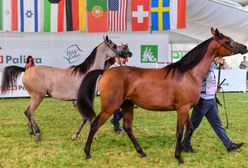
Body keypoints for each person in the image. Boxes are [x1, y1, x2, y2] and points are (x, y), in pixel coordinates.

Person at [184, 57, 243, 153]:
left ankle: (229, 145)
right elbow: (207, 72)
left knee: (217, 125)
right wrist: (216, 62)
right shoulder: (203, 68)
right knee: (192, 125)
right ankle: (186, 145)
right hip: (202, 101)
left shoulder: (210, 69)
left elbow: (208, 82)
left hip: (211, 100)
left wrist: (215, 89)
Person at [109, 57, 127, 133]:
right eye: (121, 58)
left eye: (124, 58)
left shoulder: (125, 66)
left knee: (125, 109)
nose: (123, 59)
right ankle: (116, 128)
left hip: (124, 91)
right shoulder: (112, 68)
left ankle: (115, 120)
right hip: (115, 91)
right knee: (116, 109)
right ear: (116, 58)